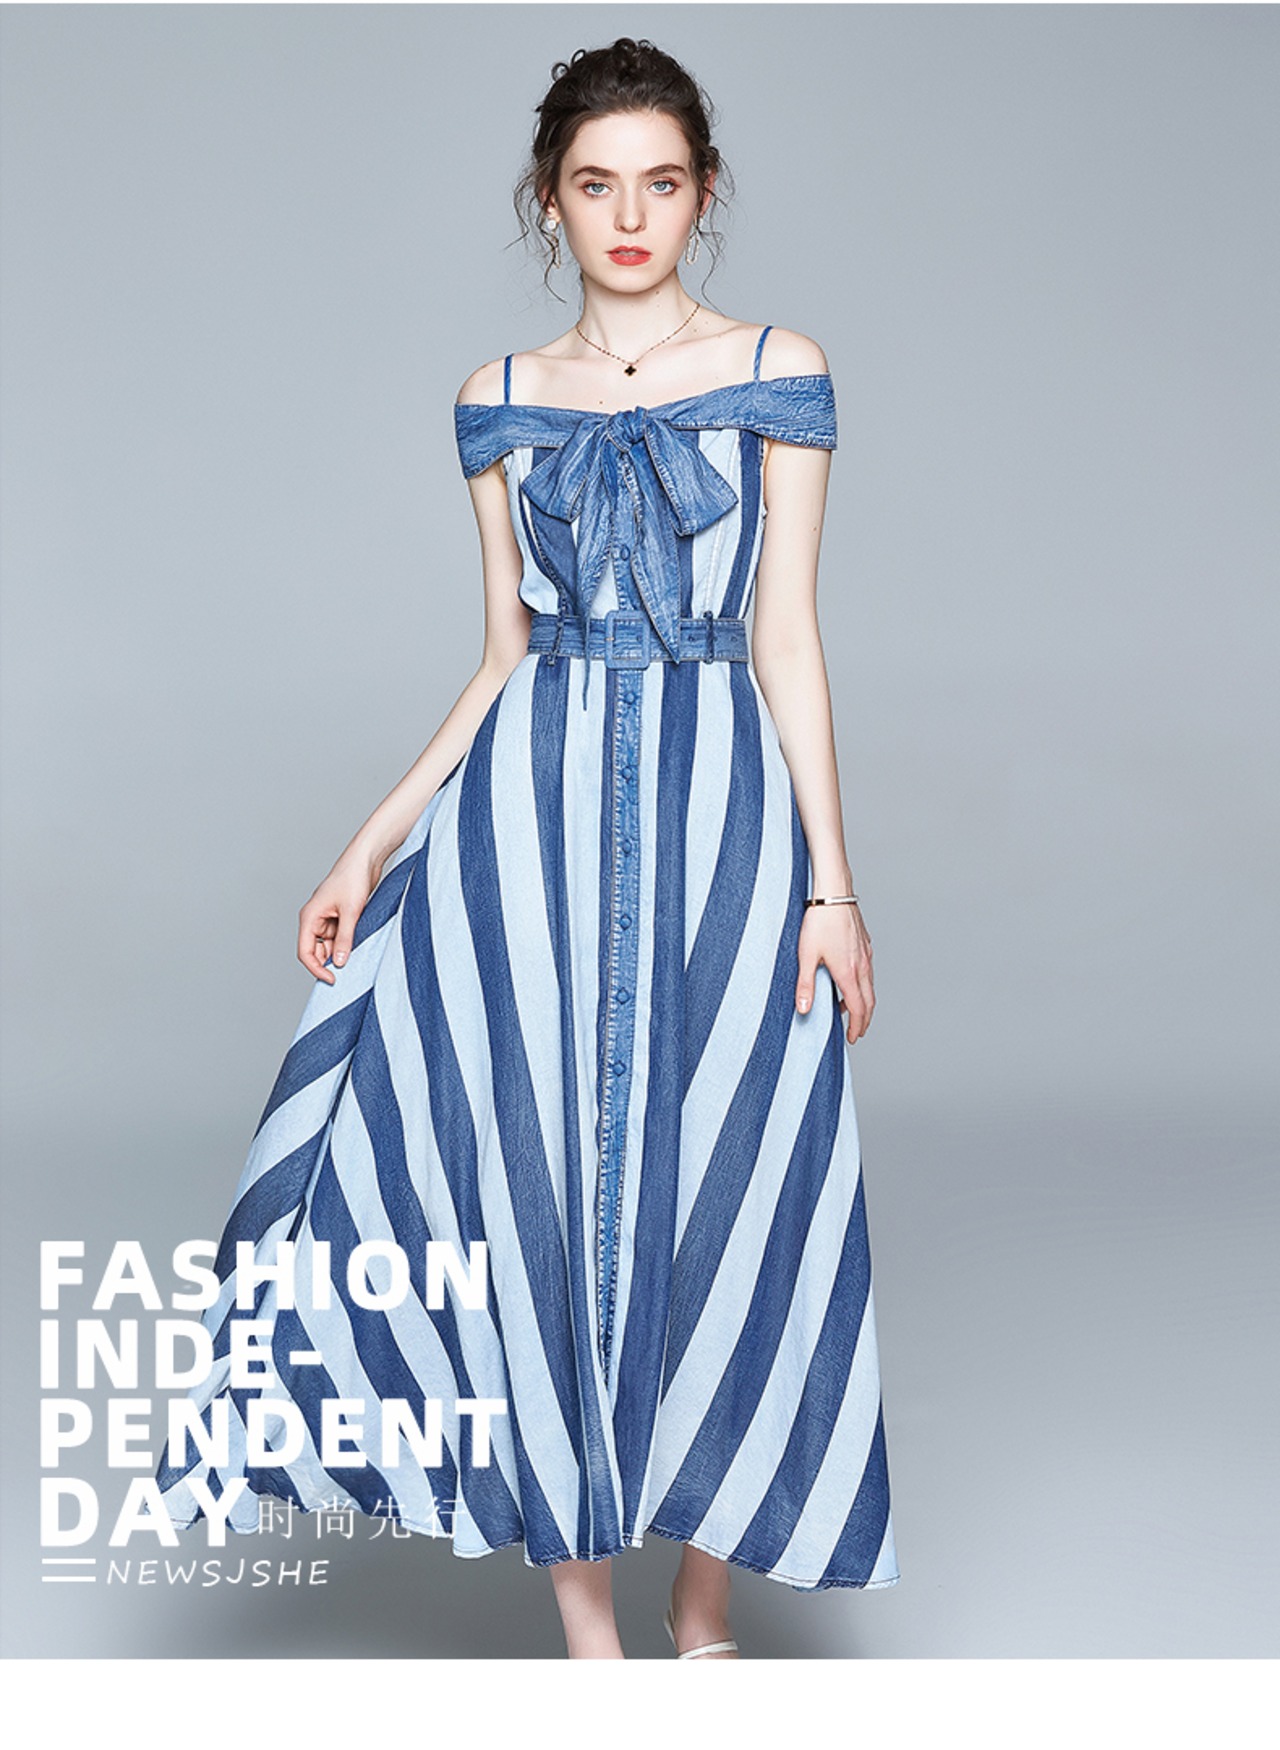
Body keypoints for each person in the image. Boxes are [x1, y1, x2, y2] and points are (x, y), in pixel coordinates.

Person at [155, 35, 900, 1660]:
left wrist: (832, 885)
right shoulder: (497, 399)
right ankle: (592, 1642)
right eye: (595, 184)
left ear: (703, 193)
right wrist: (366, 846)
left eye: (661, 183)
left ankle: (702, 1603)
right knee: (535, 1190)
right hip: (530, 823)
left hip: (725, 815)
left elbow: (788, 637)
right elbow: (501, 656)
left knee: (732, 1182)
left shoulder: (781, 365)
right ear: (548, 200)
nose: (629, 216)